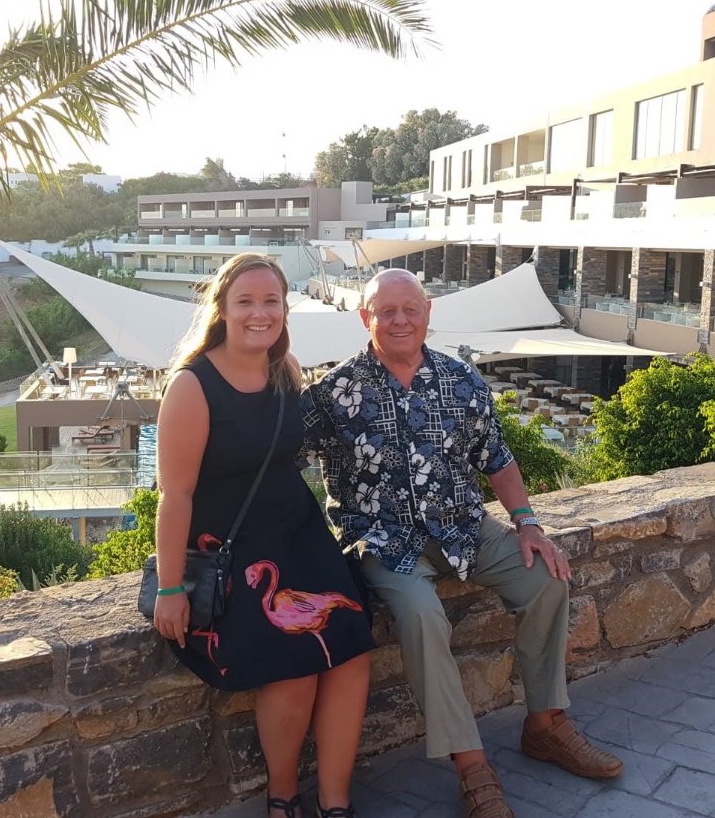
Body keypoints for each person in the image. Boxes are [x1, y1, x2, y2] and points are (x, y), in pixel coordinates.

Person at [301, 268, 622, 818]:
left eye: (411, 309)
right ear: (365, 317)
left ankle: (545, 724)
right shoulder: (334, 392)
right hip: (384, 539)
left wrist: (527, 523)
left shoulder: (461, 380)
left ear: (428, 312)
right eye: (386, 311)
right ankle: (471, 764)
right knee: (422, 616)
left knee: (545, 579)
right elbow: (279, 462)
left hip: (464, 526)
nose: (400, 320)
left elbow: (496, 459)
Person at [153, 253, 375, 818]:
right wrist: (171, 588)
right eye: (246, 301)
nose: (260, 313)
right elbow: (175, 495)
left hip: (300, 536)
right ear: (222, 310)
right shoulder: (192, 386)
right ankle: (283, 798)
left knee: (352, 649)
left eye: (271, 301)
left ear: (284, 309)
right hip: (235, 552)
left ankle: (335, 801)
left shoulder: (286, 370)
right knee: (293, 664)